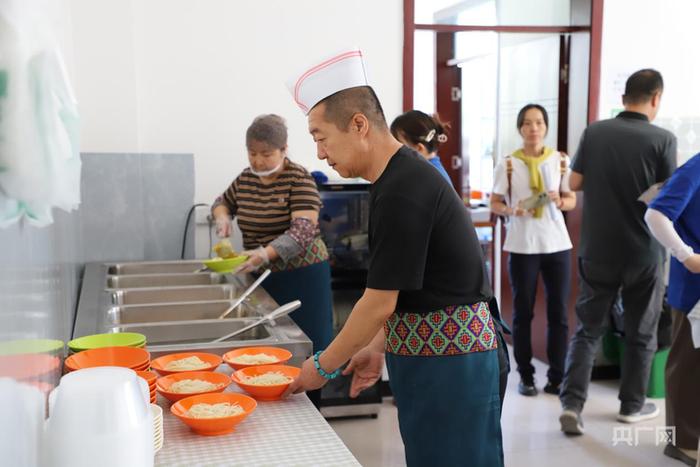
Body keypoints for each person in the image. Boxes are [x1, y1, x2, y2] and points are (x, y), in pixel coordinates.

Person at [282, 48, 503, 467]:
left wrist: (323, 366)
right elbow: (410, 288)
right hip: (427, 354)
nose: (321, 154)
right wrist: (380, 345)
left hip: (454, 362)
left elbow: (379, 301)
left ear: (359, 124)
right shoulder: (391, 182)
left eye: (321, 137)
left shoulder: (404, 187)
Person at [559, 69, 677, 435]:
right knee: (641, 332)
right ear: (655, 98)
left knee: (588, 330)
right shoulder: (663, 139)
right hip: (644, 253)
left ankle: (572, 404)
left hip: (597, 250)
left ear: (625, 96)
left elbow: (573, 183)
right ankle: (631, 406)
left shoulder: (595, 132)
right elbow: (670, 196)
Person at [211, 114, 333, 407]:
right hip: (261, 277)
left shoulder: (299, 179)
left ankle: (309, 415)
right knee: (268, 350)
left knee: (305, 349)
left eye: (266, 154)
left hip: (303, 277)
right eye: (253, 153)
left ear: (283, 149)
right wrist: (223, 218)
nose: (259, 161)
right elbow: (222, 202)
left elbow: (303, 231)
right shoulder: (245, 179)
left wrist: (265, 253)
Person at [490, 103, 576, 397]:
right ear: (520, 128)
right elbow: (495, 203)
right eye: (527, 123)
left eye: (539, 122)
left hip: (557, 244)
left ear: (546, 127)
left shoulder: (561, 161)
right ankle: (526, 375)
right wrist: (512, 210)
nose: (533, 128)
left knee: (558, 313)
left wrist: (560, 201)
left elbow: (571, 200)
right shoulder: (509, 164)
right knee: (522, 312)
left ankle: (557, 377)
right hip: (522, 244)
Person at [644, 153, 700, 466]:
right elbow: (656, 215)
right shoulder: (695, 169)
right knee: (687, 364)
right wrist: (686, 255)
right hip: (694, 287)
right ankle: (682, 442)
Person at [390, 110, 452, 183]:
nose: (393, 150)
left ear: (419, 149)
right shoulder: (426, 170)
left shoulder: (428, 176)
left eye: (398, 145)